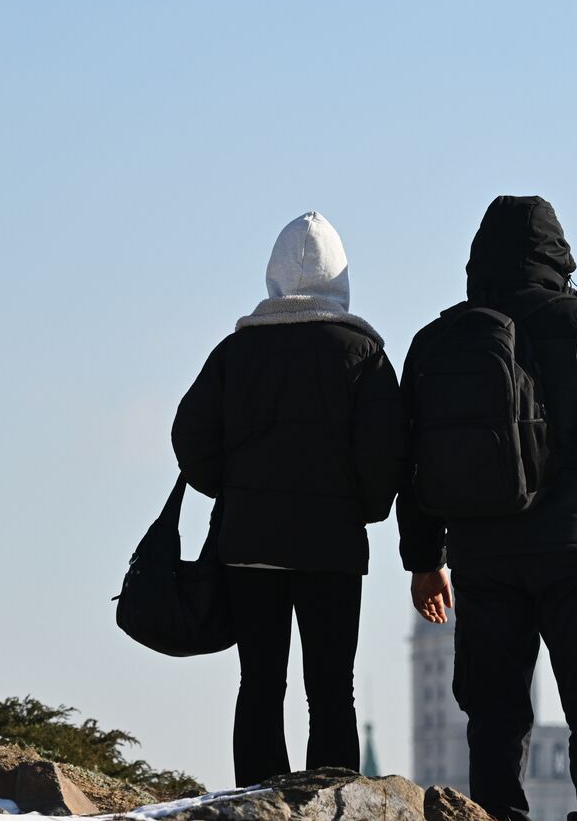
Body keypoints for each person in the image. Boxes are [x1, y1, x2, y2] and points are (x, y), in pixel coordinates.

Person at [397, 195, 577, 821]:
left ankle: (495, 816)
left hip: (483, 553)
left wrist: (424, 559)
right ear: (557, 255)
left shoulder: (437, 342)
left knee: (493, 712)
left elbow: (410, 461)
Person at [172, 211, 404, 787]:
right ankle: (330, 804)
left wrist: (231, 490)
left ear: (273, 275)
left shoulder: (236, 351)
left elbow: (189, 434)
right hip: (332, 547)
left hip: (248, 545)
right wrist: (364, 508)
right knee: (331, 690)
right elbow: (389, 451)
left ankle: (258, 802)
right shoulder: (364, 354)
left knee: (259, 684)